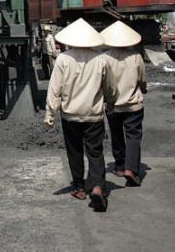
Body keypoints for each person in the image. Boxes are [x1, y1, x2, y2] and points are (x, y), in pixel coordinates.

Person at [44, 18, 116, 212]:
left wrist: (50, 113)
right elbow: (110, 87)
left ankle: (78, 187)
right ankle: (97, 186)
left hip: (70, 115)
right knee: (95, 151)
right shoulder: (101, 59)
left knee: (74, 151)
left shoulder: (63, 59)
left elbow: (54, 89)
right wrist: (110, 101)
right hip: (94, 115)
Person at [100, 20, 147, 187]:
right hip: (133, 105)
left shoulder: (104, 58)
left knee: (116, 134)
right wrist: (143, 89)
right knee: (133, 136)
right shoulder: (136, 57)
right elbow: (142, 81)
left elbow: (102, 82)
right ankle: (131, 169)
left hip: (112, 105)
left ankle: (119, 167)